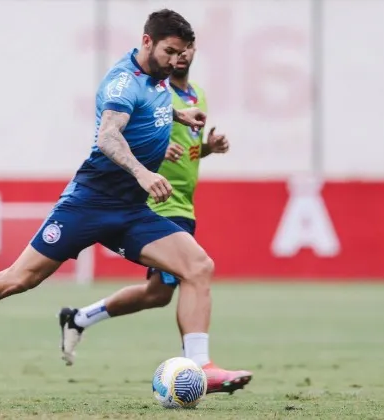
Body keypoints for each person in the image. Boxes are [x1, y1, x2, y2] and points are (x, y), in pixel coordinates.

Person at [0, 9, 250, 388]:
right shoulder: (121, 83)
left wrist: (180, 117)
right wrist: (144, 173)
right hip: (89, 204)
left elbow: (151, 107)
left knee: (198, 266)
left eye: (181, 52)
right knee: (18, 278)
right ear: (147, 41)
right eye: (169, 51)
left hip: (131, 211)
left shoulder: (158, 77)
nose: (174, 60)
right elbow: (108, 136)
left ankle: (201, 367)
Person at [57, 42, 251, 394]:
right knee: (191, 272)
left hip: (184, 204)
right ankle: (197, 366)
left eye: (189, 49)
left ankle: (79, 317)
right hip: (158, 203)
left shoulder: (197, 95)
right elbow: (126, 141)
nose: (182, 57)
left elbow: (190, 151)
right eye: (175, 50)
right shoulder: (152, 92)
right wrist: (155, 156)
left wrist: (208, 148)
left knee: (159, 293)